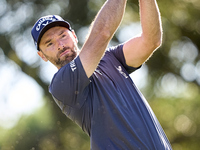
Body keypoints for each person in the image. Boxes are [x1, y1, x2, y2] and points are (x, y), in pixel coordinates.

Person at [31, 0, 172, 149]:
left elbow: (151, 41)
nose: (60, 45)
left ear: (74, 36)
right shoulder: (61, 84)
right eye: (49, 43)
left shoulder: (110, 57)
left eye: (63, 35)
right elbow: (102, 33)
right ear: (42, 56)